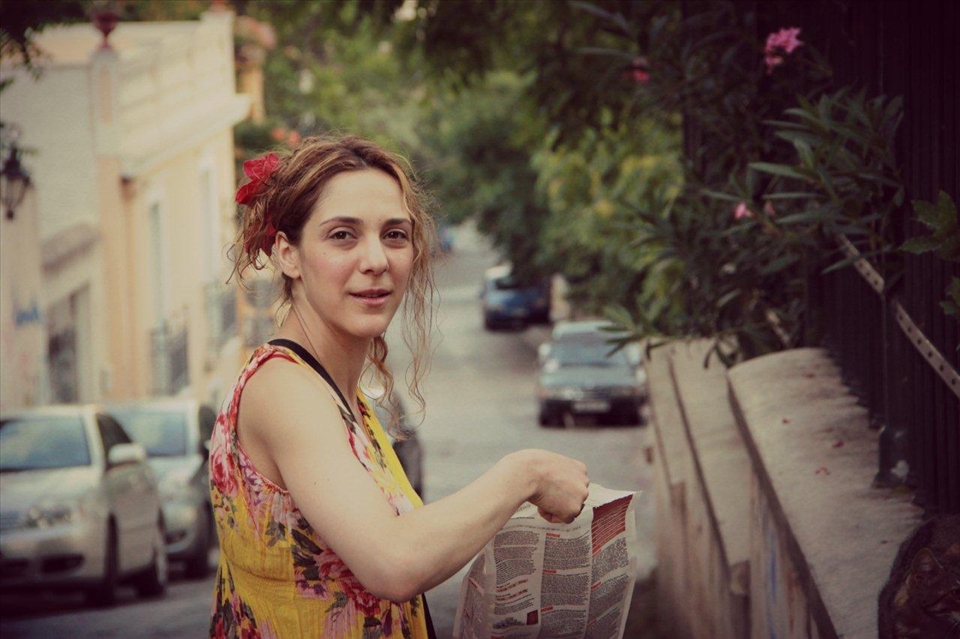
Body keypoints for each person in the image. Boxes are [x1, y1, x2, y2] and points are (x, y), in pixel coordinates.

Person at [208, 134, 590, 638]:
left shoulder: (338, 396)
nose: (376, 260)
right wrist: (527, 473)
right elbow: (393, 562)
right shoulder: (284, 391)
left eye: (394, 235)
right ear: (288, 255)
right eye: (343, 235)